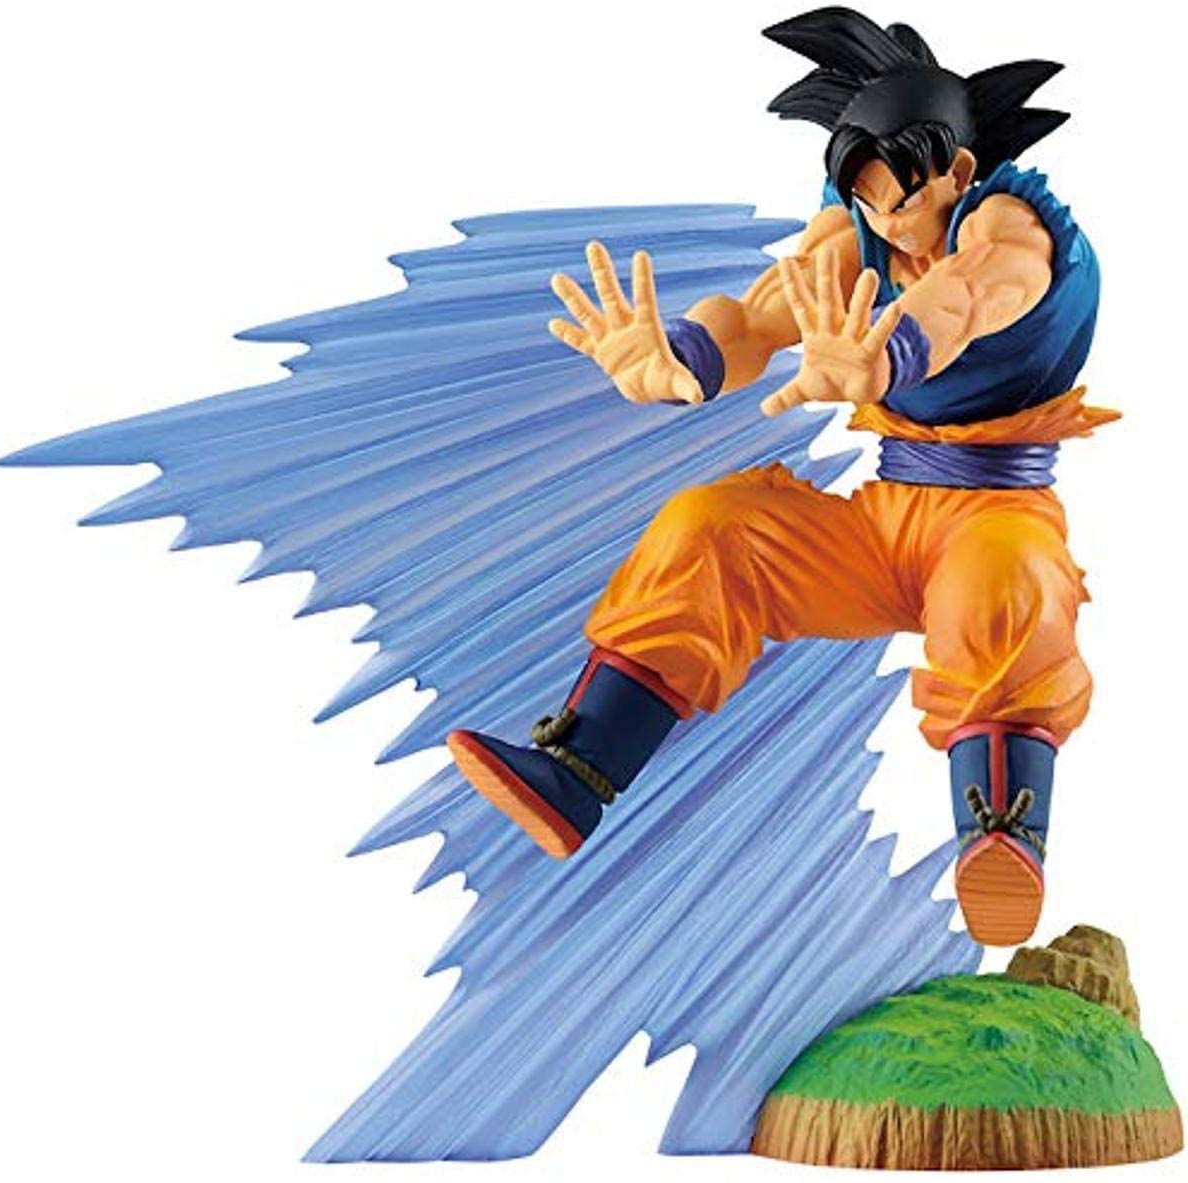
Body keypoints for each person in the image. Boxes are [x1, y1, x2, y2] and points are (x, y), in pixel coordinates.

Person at [447, 7, 1115, 947]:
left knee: (1005, 587)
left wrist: (887, 356)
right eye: (865, 193)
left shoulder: (1014, 227)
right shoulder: (855, 234)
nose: (886, 218)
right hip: (887, 516)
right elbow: (762, 315)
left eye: (899, 191)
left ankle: (1001, 837)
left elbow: (966, 296)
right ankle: (578, 768)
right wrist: (678, 359)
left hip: (997, 509)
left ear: (958, 170)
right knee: (711, 527)